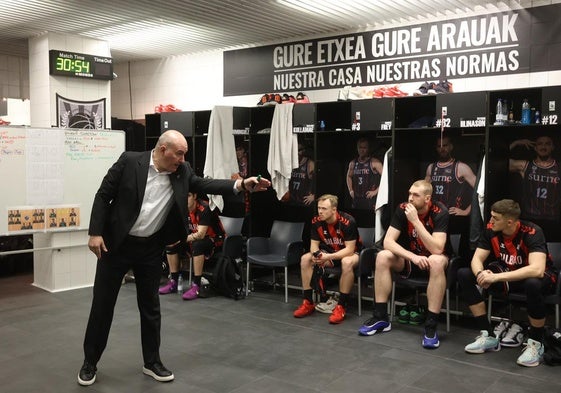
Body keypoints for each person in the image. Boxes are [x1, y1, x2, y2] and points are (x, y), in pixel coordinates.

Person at [78, 130, 270, 386]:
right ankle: (90, 362)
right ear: (162, 150)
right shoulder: (129, 161)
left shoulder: (182, 171)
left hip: (149, 248)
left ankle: (152, 361)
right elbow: (103, 195)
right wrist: (95, 233)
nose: (182, 158)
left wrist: (241, 184)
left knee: (150, 308)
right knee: (102, 306)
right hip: (117, 246)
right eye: (179, 153)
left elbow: (205, 184)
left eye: (184, 154)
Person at [457, 199, 557, 367]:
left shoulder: (532, 232)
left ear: (509, 221)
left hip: (539, 276)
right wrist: (482, 274)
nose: (490, 221)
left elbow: (537, 269)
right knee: (464, 274)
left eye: (495, 218)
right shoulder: (490, 230)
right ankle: (488, 335)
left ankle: (536, 343)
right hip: (508, 271)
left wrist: (495, 278)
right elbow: (477, 259)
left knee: (533, 283)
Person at [358, 180, 450, 349]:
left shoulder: (440, 212)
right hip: (413, 258)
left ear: (427, 198)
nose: (410, 198)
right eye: (409, 194)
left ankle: (430, 326)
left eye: (416, 195)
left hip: (435, 260)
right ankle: (381, 317)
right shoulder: (402, 209)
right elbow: (388, 242)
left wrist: (415, 221)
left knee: (435, 261)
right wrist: (413, 257)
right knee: (383, 256)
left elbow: (437, 249)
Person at [293, 194, 362, 324]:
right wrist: (317, 256)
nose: (320, 211)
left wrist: (328, 257)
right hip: (329, 252)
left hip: (352, 254)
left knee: (346, 262)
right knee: (305, 259)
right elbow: (313, 245)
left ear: (334, 210)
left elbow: (350, 249)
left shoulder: (348, 221)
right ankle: (308, 302)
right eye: (319, 208)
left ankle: (341, 306)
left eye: (324, 208)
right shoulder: (316, 221)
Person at [159, 192, 226, 299]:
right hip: (192, 239)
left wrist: (180, 239)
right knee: (171, 243)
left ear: (195, 196)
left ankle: (196, 285)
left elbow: (201, 234)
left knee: (197, 244)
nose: (185, 199)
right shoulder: (181, 209)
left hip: (216, 240)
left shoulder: (204, 208)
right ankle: (173, 282)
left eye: (188, 196)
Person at [509, 136, 561, 225]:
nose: (543, 147)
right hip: (530, 218)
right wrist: (516, 143)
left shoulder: (559, 168)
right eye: (540, 144)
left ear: (552, 147)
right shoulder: (525, 166)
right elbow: (497, 161)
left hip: (553, 219)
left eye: (547, 144)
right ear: (535, 148)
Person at [424, 136, 476, 217]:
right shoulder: (431, 168)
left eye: (445, 145)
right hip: (434, 215)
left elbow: (480, 191)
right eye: (439, 146)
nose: (442, 149)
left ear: (451, 146)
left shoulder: (461, 167)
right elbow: (423, 192)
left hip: (452, 216)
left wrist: (466, 211)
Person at [346, 138, 383, 210]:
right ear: (357, 148)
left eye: (364, 148)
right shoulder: (353, 163)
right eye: (360, 147)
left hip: (370, 199)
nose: (362, 150)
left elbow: (385, 178)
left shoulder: (375, 162)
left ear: (368, 149)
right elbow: (349, 176)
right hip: (357, 199)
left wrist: (376, 191)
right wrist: (350, 190)